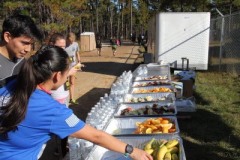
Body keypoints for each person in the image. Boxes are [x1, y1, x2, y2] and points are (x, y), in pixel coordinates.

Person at [0, 45, 153, 160]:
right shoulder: (52, 110)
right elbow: (96, 136)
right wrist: (132, 150)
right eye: (67, 74)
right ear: (57, 75)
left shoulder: (11, 84)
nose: (67, 78)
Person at [0, 13, 43, 88]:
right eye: (24, 43)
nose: (28, 49)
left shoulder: (22, 62)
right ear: (7, 36)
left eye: (31, 44)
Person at [65, 32, 81, 105]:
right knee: (65, 83)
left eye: (72, 41)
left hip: (74, 65)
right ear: (67, 39)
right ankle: (66, 98)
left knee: (72, 82)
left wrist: (79, 62)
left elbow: (77, 53)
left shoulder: (76, 44)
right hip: (65, 67)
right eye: (70, 41)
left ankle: (72, 98)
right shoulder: (64, 45)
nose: (71, 43)